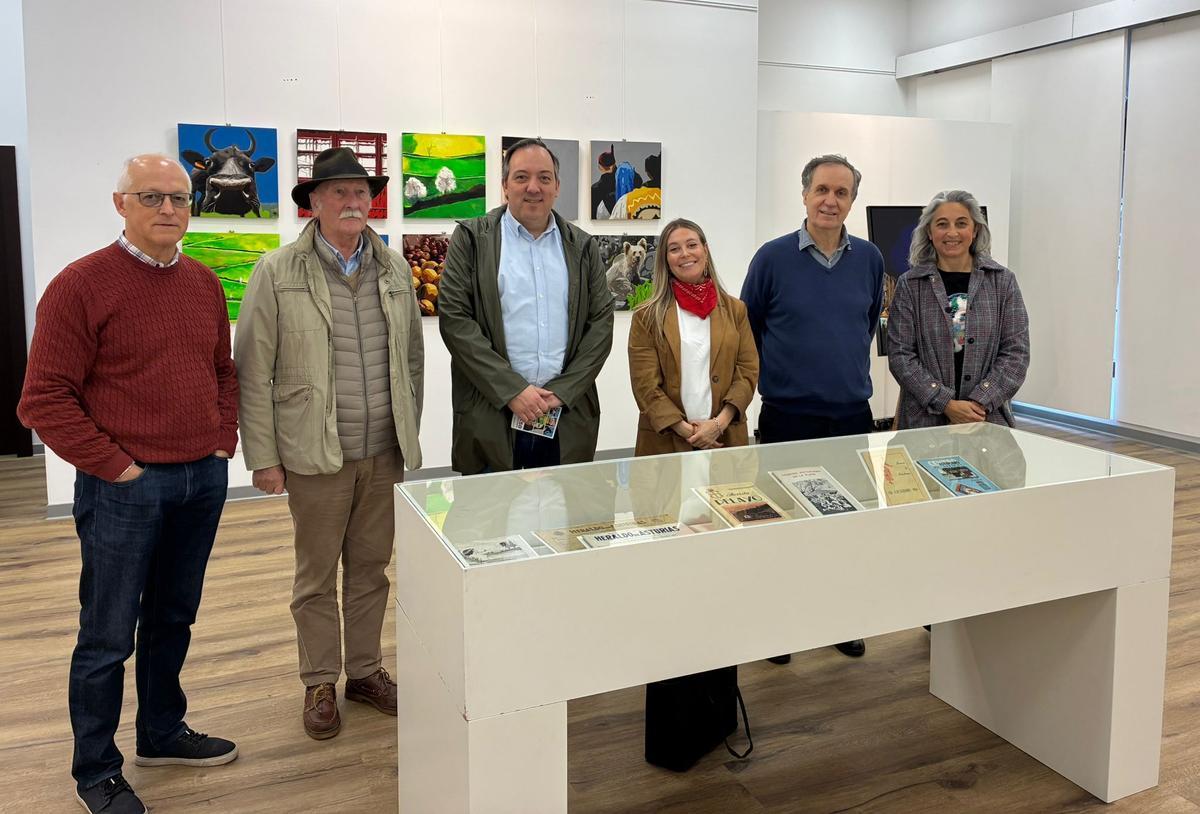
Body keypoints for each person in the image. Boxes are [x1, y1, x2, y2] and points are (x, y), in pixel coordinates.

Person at [18, 154, 239, 814]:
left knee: (175, 615)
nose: (169, 209)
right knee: (108, 633)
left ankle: (161, 732)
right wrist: (116, 467)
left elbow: (222, 371)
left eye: (180, 198)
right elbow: (43, 399)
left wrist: (221, 441)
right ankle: (96, 768)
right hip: (125, 487)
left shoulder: (202, 282)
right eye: (152, 197)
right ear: (121, 204)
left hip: (201, 478)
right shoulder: (80, 285)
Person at [234, 147, 424, 741]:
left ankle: (365, 672)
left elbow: (412, 361)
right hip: (315, 452)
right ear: (313, 204)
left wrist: (407, 428)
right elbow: (252, 368)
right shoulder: (277, 270)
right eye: (338, 192)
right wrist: (263, 456)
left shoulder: (393, 269)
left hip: (382, 451)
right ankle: (319, 679)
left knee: (370, 570)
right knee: (316, 575)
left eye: (360, 192)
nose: (352, 202)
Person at [740, 153, 884, 664]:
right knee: (782, 525)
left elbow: (866, 325)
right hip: (787, 415)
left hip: (850, 416)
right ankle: (780, 629)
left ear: (852, 201)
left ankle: (839, 620)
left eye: (841, 193)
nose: (830, 200)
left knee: (844, 527)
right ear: (804, 195)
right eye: (822, 190)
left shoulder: (869, 259)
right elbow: (748, 329)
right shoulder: (772, 258)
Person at [439, 138, 614, 474]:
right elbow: (455, 320)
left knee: (562, 522)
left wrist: (562, 391)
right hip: (491, 414)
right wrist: (512, 390)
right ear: (505, 186)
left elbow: (601, 325)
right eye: (521, 177)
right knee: (490, 521)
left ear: (557, 187)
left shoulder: (582, 246)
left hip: (565, 416)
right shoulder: (472, 239)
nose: (533, 187)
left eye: (544, 178)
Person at [888, 189, 1030, 429]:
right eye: (942, 224)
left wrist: (979, 403)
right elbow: (901, 356)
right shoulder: (910, 285)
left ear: (974, 231)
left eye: (961, 223)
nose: (952, 232)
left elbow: (1016, 353)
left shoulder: (1002, 281)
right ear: (930, 233)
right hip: (924, 424)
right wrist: (946, 403)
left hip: (986, 420)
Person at [628, 218, 758, 456]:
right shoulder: (646, 316)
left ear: (705, 251)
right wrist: (690, 432)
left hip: (725, 438)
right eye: (674, 249)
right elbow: (645, 385)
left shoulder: (735, 310)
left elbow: (747, 371)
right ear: (666, 260)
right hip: (666, 441)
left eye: (691, 245)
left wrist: (718, 425)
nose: (684, 254)